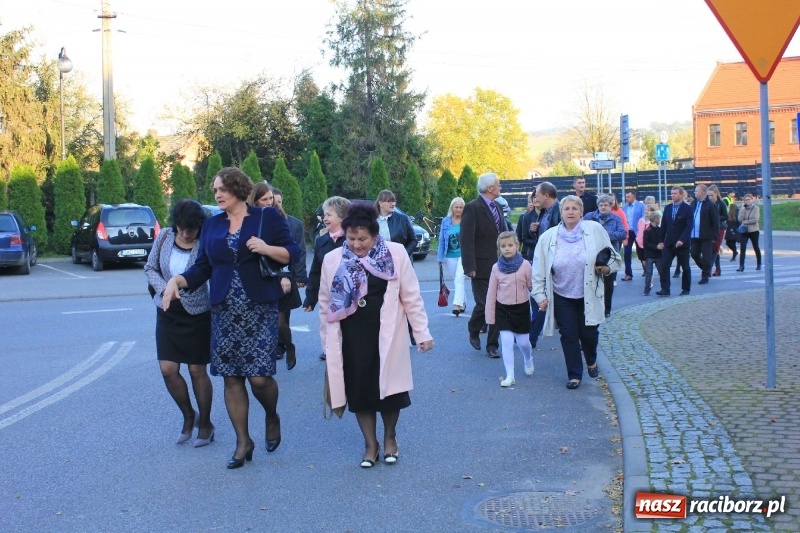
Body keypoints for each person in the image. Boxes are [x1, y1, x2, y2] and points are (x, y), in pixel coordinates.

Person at [161, 167, 300, 470]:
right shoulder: (211, 225)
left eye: (222, 189)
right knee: (232, 377)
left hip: (259, 307)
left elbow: (293, 253)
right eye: (214, 191)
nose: (217, 195)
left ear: (237, 188)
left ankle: (272, 415)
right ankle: (243, 442)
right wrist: (177, 281)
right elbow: (202, 268)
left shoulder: (266, 217)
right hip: (224, 309)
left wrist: (266, 248)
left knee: (259, 377)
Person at [318, 202, 433, 468]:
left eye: (363, 239)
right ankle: (370, 444)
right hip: (351, 334)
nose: (357, 245)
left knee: (391, 392)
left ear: (375, 235)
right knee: (360, 392)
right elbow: (326, 303)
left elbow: (411, 296)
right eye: (351, 238)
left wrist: (422, 333)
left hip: (388, 333)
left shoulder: (395, 253)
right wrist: (327, 343)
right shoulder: (333, 259)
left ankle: (390, 437)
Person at [531, 195, 620, 390]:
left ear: (581, 212)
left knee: (588, 334)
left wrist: (606, 269)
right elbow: (538, 269)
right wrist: (540, 296)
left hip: (588, 293)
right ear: (561, 213)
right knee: (569, 335)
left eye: (574, 208)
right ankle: (574, 375)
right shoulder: (548, 237)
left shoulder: (594, 230)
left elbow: (613, 257)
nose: (570, 212)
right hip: (562, 295)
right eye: (566, 209)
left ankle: (591, 360)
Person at [145, 199, 214, 446]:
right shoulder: (164, 237)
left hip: (197, 313)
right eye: (182, 227)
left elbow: (207, 273)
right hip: (167, 311)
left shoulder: (205, 243)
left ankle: (205, 423)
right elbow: (150, 268)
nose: (185, 233)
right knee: (168, 369)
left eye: (191, 229)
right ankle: (188, 416)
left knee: (197, 370)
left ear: (199, 227)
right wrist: (167, 289)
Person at [460, 173, 503, 358]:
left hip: (500, 266)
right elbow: (466, 239)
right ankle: (474, 327)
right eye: (498, 184)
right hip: (481, 266)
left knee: (498, 306)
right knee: (484, 304)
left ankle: (492, 345)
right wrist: (470, 266)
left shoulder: (498, 207)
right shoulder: (472, 208)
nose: (500, 187)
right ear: (490, 188)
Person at [304, 196, 351, 360]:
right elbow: (315, 271)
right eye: (324, 215)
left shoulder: (352, 240)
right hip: (328, 295)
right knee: (326, 323)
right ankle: (329, 350)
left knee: (348, 327)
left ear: (342, 216)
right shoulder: (322, 241)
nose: (325, 218)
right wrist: (310, 298)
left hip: (350, 294)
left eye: (329, 214)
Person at [485, 231, 533, 387]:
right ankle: (510, 375)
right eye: (503, 246)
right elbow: (491, 293)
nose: (507, 249)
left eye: (510, 245)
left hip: (522, 308)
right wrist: (490, 317)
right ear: (499, 249)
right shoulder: (496, 268)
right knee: (506, 341)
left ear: (517, 246)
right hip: (503, 310)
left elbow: (533, 285)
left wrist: (541, 300)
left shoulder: (525, 265)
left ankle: (528, 358)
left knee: (523, 342)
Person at [271, 187, 307, 370]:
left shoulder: (292, 224)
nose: (274, 204)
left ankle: (287, 344)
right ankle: (273, 347)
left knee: (281, 319)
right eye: (270, 201)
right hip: (265, 276)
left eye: (277, 201)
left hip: (284, 276)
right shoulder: (258, 223)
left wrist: (297, 276)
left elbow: (297, 251)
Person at [583, 194, 627, 317]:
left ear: (610, 206)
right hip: (592, 254)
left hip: (610, 255)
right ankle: (592, 307)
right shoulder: (589, 217)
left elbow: (623, 233)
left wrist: (606, 235)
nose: (603, 207)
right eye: (601, 205)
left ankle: (606, 309)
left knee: (608, 283)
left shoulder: (616, 218)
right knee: (592, 282)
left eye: (606, 205)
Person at [656, 187, 694, 296]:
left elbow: (689, 226)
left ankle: (686, 289)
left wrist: (682, 239)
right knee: (664, 266)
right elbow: (663, 226)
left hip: (682, 243)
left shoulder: (687, 209)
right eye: (671, 193)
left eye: (675, 193)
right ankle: (665, 289)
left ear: (681, 195)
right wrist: (661, 241)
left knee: (685, 267)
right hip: (669, 242)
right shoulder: (668, 208)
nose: (672, 195)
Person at [437, 197, 467, 316]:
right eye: (456, 207)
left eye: (461, 207)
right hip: (450, 255)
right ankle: (463, 302)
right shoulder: (446, 221)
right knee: (457, 280)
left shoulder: (466, 220)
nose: (459, 210)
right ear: (452, 208)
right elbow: (441, 241)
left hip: (464, 254)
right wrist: (440, 258)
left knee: (459, 278)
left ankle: (456, 305)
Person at [689, 184, 720, 285]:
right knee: (694, 254)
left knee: (706, 256)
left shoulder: (710, 205)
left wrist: (715, 236)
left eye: (696, 191)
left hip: (706, 236)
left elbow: (716, 221)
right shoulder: (693, 203)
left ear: (702, 192)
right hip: (694, 235)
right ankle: (706, 269)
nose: (694, 192)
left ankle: (705, 275)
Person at [375, 190, 416, 258]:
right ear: (380, 203)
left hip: (399, 261)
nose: (393, 204)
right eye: (389, 201)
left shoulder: (403, 219)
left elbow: (413, 240)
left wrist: (403, 255)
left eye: (394, 201)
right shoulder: (372, 220)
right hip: (378, 262)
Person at [621, 190, 645, 281]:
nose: (627, 198)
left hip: (639, 232)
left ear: (634, 197)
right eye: (626, 197)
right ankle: (628, 274)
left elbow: (644, 218)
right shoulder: (624, 207)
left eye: (629, 197)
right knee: (627, 253)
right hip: (628, 232)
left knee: (641, 252)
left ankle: (646, 270)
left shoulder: (641, 206)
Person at [706, 184, 728, 277]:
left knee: (715, 247)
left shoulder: (721, 203)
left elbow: (725, 216)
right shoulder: (706, 203)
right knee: (712, 248)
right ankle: (718, 268)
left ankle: (709, 268)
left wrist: (716, 218)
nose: (710, 197)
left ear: (716, 193)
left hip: (720, 228)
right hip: (709, 228)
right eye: (708, 195)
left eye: (711, 195)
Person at [736, 193, 761, 272]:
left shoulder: (756, 208)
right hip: (744, 231)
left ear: (752, 200)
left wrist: (745, 222)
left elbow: (755, 219)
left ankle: (759, 264)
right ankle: (741, 266)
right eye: (745, 200)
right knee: (742, 248)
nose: (747, 201)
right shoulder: (743, 209)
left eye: (748, 199)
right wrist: (743, 210)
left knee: (755, 247)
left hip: (753, 230)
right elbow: (739, 219)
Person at [642, 211, 663, 296]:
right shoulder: (647, 230)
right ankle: (647, 289)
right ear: (655, 219)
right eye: (659, 218)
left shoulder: (660, 230)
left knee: (661, 272)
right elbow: (646, 243)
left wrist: (662, 244)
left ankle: (664, 287)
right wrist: (656, 246)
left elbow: (662, 238)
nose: (659, 220)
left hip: (658, 255)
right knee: (648, 273)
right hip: (650, 255)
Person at [516, 192, 541, 262]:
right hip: (528, 252)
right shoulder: (525, 217)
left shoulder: (546, 215)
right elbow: (521, 237)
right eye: (529, 202)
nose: (530, 204)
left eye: (531, 201)